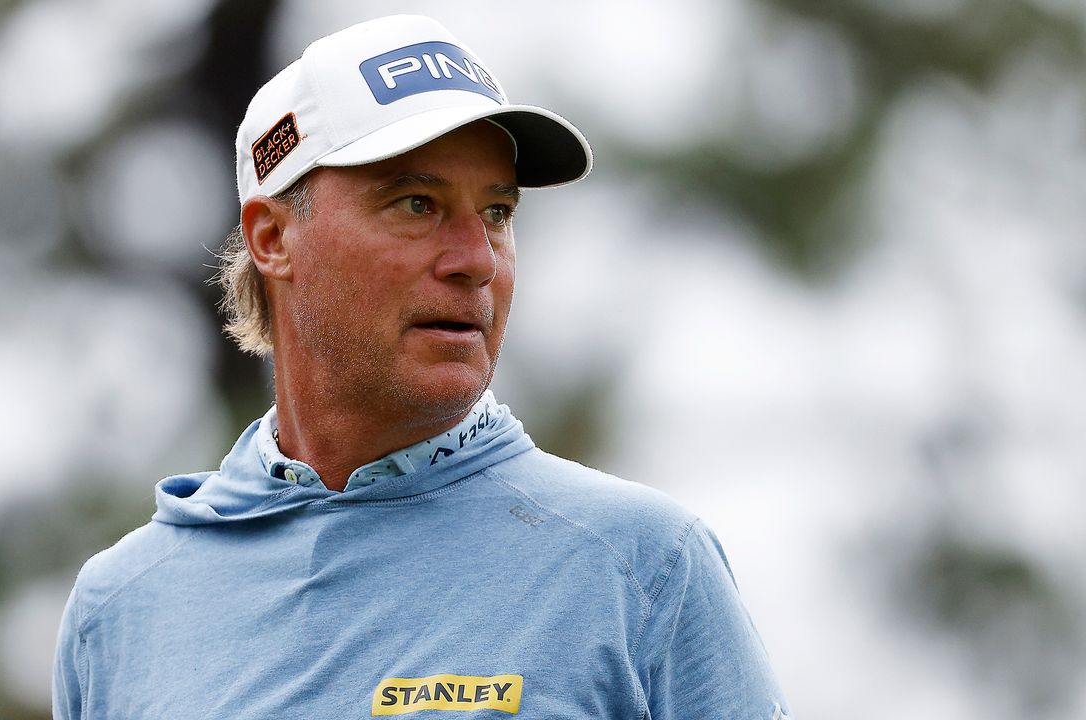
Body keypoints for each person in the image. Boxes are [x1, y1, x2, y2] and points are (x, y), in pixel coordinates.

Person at [53, 14, 791, 720]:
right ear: (274, 238)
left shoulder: (644, 568)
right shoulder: (119, 611)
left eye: (498, 213)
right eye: (416, 204)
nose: (475, 260)